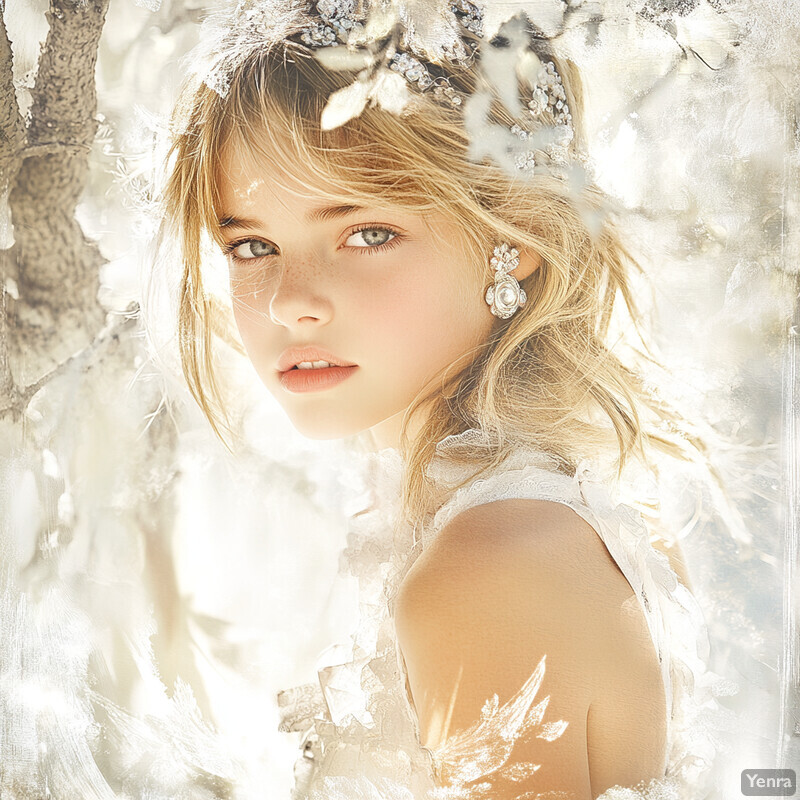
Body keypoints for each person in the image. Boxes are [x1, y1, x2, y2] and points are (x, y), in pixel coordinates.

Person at [158, 1, 732, 797]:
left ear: (518, 232)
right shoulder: (553, 513)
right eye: (252, 245)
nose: (291, 301)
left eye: (365, 233)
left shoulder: (491, 567)